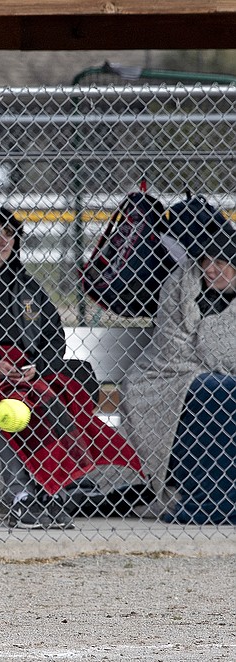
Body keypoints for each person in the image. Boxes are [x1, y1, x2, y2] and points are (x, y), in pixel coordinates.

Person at [0, 206, 143, 529]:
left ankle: (52, 490)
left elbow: (52, 339)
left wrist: (37, 366)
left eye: (9, 234)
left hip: (27, 375)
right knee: (14, 401)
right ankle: (23, 498)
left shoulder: (27, 286)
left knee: (60, 388)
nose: (2, 241)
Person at [122, 214, 236, 524]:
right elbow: (174, 349)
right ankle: (210, 504)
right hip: (164, 378)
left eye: (220, 261)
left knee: (219, 388)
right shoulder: (179, 283)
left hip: (204, 377)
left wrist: (207, 337)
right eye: (204, 260)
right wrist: (215, 344)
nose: (209, 268)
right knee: (215, 389)